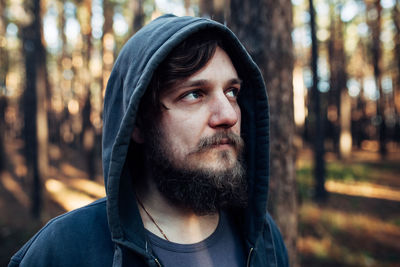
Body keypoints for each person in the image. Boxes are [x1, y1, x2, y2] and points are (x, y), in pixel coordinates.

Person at [9, 14, 288, 267]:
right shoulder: (64, 250)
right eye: (194, 94)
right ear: (138, 123)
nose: (228, 115)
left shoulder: (262, 236)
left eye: (232, 92)